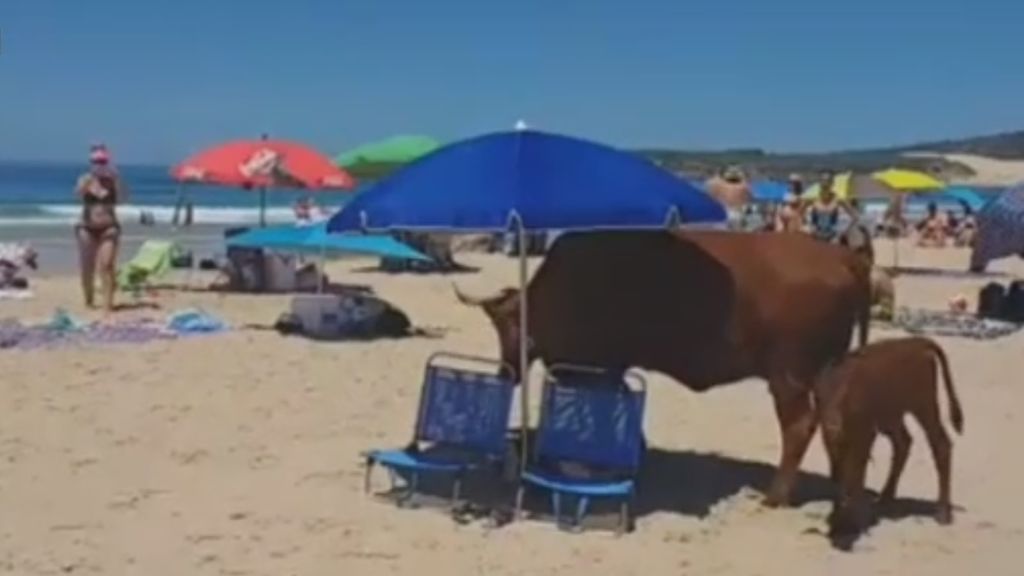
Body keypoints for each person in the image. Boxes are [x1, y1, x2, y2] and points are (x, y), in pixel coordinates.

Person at [74, 144, 124, 311]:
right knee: (87, 268)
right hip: (86, 227)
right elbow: (77, 194)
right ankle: (89, 299)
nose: (99, 165)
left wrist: (116, 182)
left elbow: (124, 198)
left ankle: (107, 305)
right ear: (91, 162)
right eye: (96, 161)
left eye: (102, 161)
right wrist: (88, 184)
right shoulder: (85, 178)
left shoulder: (112, 181)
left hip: (109, 227)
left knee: (107, 265)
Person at [802, 170, 858, 242]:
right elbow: (798, 213)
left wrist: (845, 231)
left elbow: (855, 217)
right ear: (819, 182)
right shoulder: (813, 198)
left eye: (828, 181)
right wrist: (808, 227)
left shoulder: (838, 199)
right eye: (822, 180)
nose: (825, 183)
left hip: (833, 237)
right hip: (815, 236)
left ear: (832, 183)